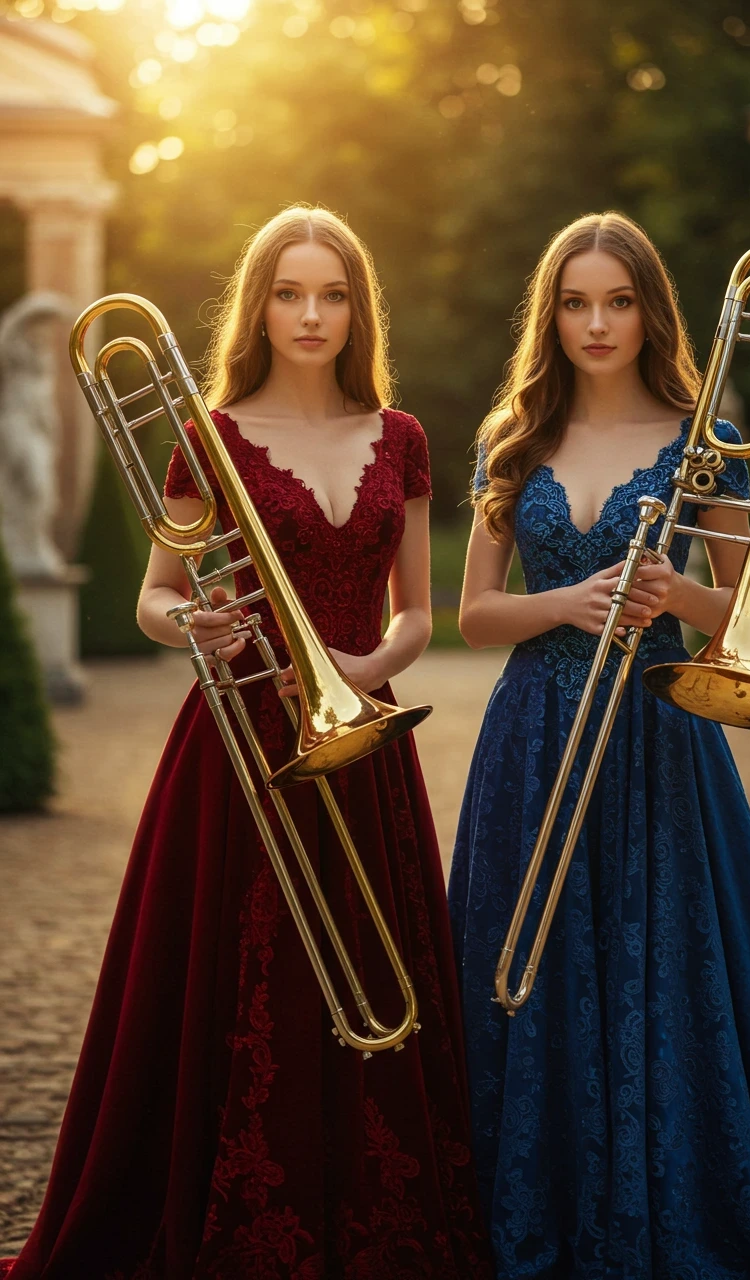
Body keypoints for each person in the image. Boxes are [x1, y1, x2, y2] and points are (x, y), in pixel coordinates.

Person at [1, 206, 493, 1279]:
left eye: (331, 294)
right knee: (229, 977)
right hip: (237, 743)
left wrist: (364, 674)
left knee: (371, 963)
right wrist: (197, 627)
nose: (310, 314)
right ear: (257, 308)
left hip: (359, 736)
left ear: (358, 308)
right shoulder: (205, 434)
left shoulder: (399, 436)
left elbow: (417, 611)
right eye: (288, 292)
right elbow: (152, 596)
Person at [447, 210, 750, 1279]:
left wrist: (670, 590)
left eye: (616, 300)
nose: (595, 323)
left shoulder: (702, 437)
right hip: (532, 735)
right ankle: (533, 1202)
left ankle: (674, 1193)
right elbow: (471, 613)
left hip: (653, 733)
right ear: (548, 314)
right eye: (573, 302)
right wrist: (562, 601)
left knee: (665, 970)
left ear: (650, 309)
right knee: (530, 973)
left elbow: (738, 614)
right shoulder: (511, 434)